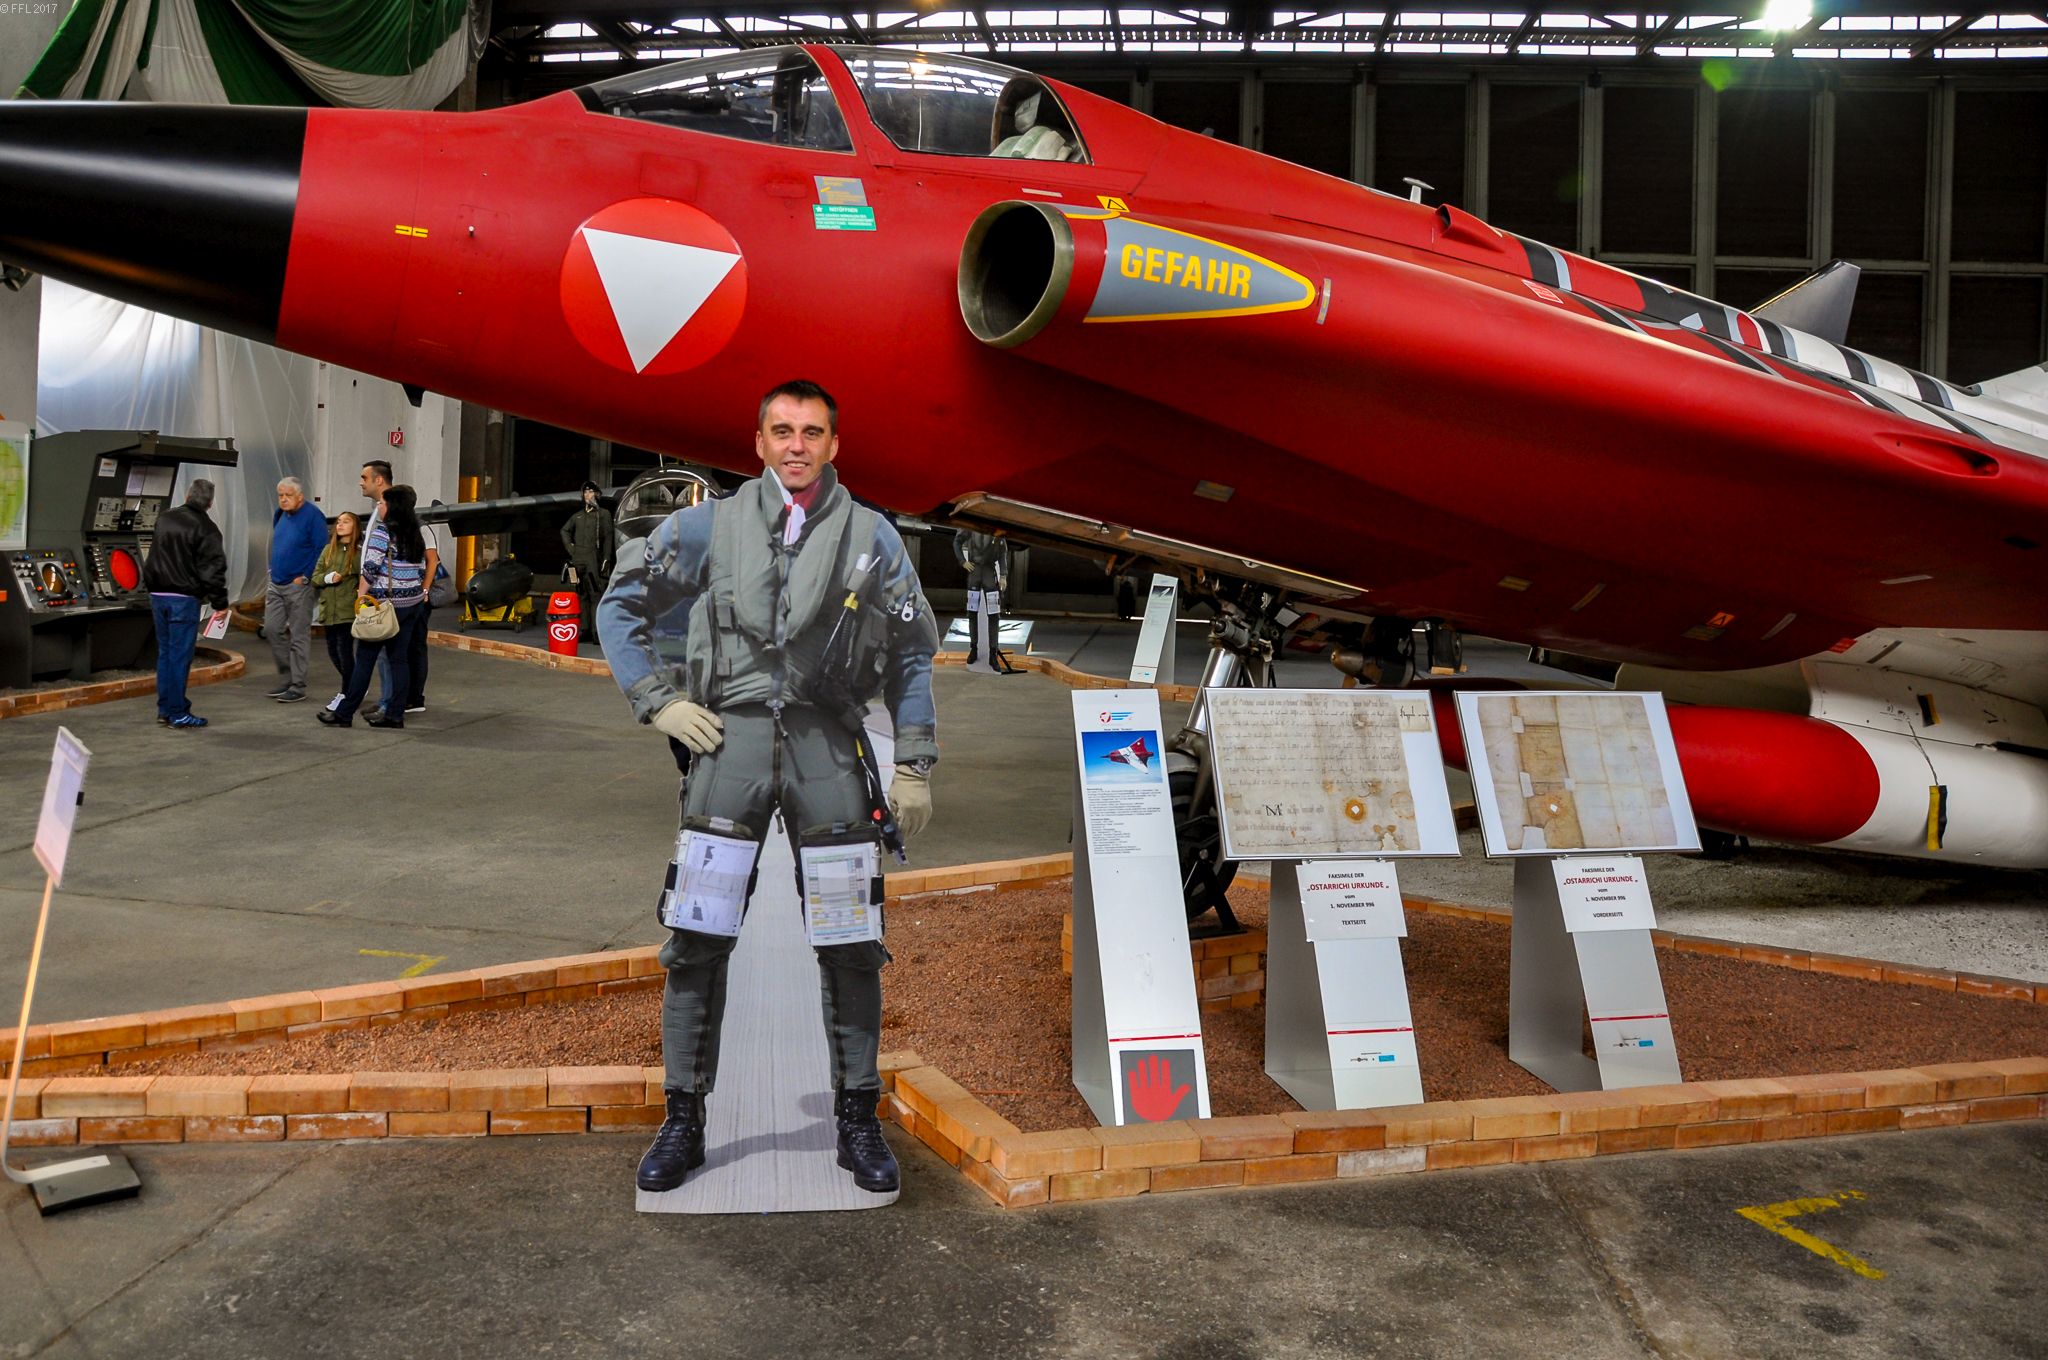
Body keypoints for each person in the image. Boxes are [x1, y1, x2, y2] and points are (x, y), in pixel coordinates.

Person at [599, 379, 939, 1197]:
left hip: (829, 749)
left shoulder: (870, 538)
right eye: (782, 430)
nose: (796, 445)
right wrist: (657, 700)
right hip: (730, 745)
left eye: (812, 432)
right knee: (696, 936)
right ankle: (683, 1119)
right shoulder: (707, 527)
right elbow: (620, 604)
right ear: (758, 442)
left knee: (852, 941)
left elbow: (911, 652)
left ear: (833, 444)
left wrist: (915, 763)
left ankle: (857, 1118)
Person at [319, 484, 428, 730]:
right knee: (399, 660)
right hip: (411, 604)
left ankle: (344, 713)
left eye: (382, 503)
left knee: (365, 659)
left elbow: (370, 569)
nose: (379, 506)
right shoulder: (415, 533)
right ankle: (395, 715)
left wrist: (361, 598)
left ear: (392, 506)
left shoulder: (383, 532)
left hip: (385, 606)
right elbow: (421, 568)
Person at [142, 478, 228, 729]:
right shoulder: (207, 529)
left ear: (188, 495)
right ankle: (178, 713)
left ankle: (165, 709)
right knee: (180, 657)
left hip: (158, 595)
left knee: (166, 654)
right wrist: (220, 603)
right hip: (184, 599)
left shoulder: (165, 518)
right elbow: (212, 571)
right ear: (210, 503)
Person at [263, 476, 327, 704]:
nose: (283, 499)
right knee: (271, 629)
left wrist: (306, 576)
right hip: (277, 583)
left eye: (288, 495)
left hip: (299, 586)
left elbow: (322, 549)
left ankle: (297, 685)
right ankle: (286, 677)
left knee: (299, 634)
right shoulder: (280, 514)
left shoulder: (313, 516)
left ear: (300, 497)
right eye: (280, 495)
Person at [313, 511, 363, 710]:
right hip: (329, 610)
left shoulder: (358, 554)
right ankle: (356, 686)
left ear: (355, 527)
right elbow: (315, 577)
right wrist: (327, 578)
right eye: (339, 522)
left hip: (347, 612)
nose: (340, 524)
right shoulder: (328, 550)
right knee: (333, 652)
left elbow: (364, 580)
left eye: (346, 521)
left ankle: (346, 694)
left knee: (344, 652)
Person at [560, 479, 615, 638]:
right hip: (577, 560)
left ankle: (596, 631)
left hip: (593, 559)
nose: (587, 494)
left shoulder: (603, 514)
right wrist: (571, 548)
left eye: (591, 491)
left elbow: (608, 537)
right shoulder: (577, 516)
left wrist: (606, 558)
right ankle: (584, 629)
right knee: (580, 593)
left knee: (595, 593)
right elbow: (564, 530)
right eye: (585, 491)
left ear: (597, 494)